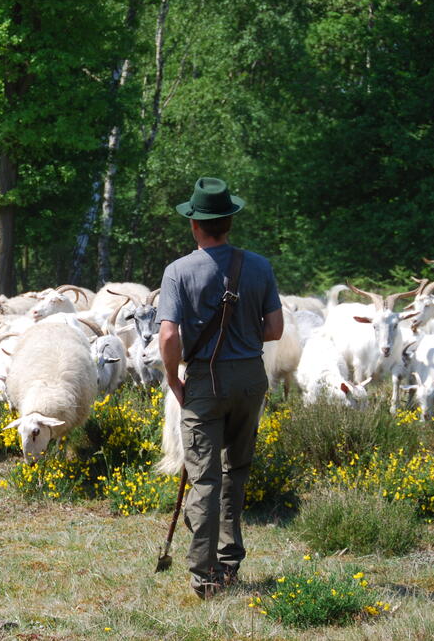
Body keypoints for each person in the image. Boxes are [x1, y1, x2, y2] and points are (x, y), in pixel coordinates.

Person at [156, 177, 283, 599]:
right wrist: (241, 336)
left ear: (194, 225)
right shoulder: (259, 266)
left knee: (205, 479)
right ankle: (229, 562)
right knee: (236, 471)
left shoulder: (178, 271)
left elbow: (169, 336)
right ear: (229, 221)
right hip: (250, 379)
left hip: (205, 381)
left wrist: (172, 377)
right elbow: (275, 329)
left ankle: (204, 575)